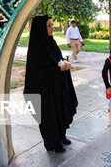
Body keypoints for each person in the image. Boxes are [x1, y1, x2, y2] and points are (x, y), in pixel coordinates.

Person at [24, 15, 78, 153]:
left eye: (51, 24)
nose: (52, 28)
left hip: (57, 86)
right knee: (50, 117)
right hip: (45, 92)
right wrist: (57, 69)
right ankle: (53, 144)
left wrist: (63, 63)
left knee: (61, 110)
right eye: (48, 25)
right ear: (41, 28)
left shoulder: (50, 42)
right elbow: (37, 72)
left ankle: (61, 136)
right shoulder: (37, 48)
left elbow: (56, 59)